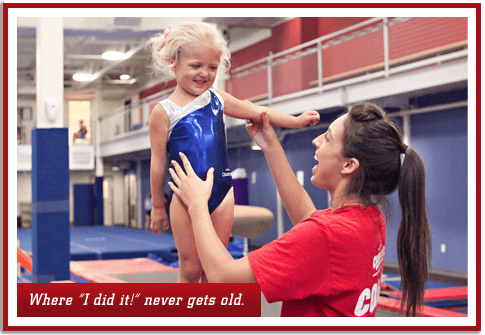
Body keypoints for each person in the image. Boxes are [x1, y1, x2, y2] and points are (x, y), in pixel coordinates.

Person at [168, 102, 431, 317]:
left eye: (327, 138)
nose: (317, 141)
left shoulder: (328, 235)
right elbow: (310, 220)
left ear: (349, 165)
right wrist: (270, 146)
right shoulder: (371, 219)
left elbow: (225, 278)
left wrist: (198, 206)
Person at [147, 22, 320, 284]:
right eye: (196, 66)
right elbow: (158, 161)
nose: (204, 73)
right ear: (174, 62)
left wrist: (295, 121)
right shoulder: (164, 111)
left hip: (222, 191)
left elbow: (259, 113)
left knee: (215, 268)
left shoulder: (217, 99)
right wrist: (158, 206)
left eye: (212, 68)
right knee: (191, 269)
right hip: (184, 195)